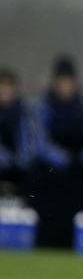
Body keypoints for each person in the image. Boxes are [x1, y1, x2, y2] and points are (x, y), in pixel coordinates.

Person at [34, 55, 83, 249]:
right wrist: (63, 159)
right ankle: (51, 242)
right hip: (55, 168)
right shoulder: (45, 106)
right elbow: (40, 142)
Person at [0, 68, 37, 197]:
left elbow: (32, 140)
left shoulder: (24, 112)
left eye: (8, 86)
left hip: (20, 167)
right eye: (2, 86)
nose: (5, 91)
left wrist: (22, 159)